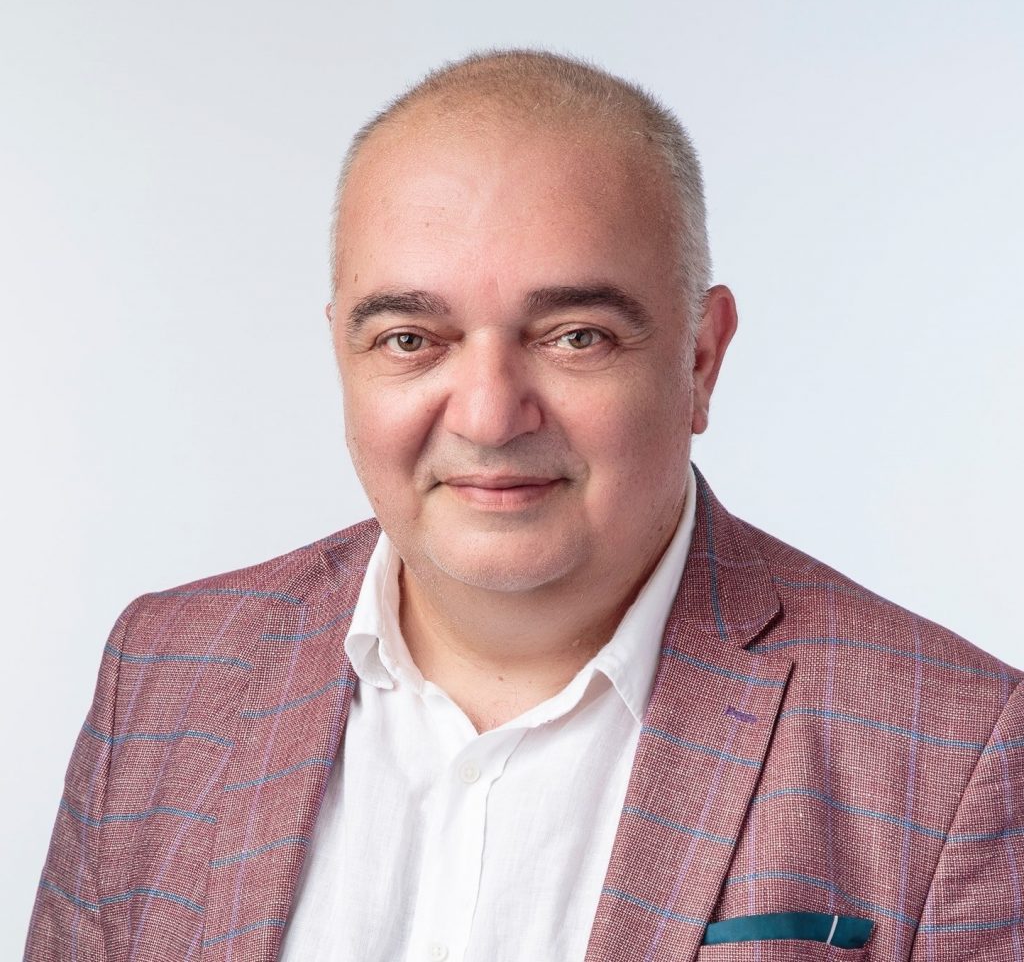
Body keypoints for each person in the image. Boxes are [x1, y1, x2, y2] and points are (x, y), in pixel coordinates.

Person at [25, 49, 1023, 962]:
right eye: (411, 339)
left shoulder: (958, 752)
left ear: (700, 358)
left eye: (576, 335)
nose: (490, 415)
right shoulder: (165, 675)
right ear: (343, 353)